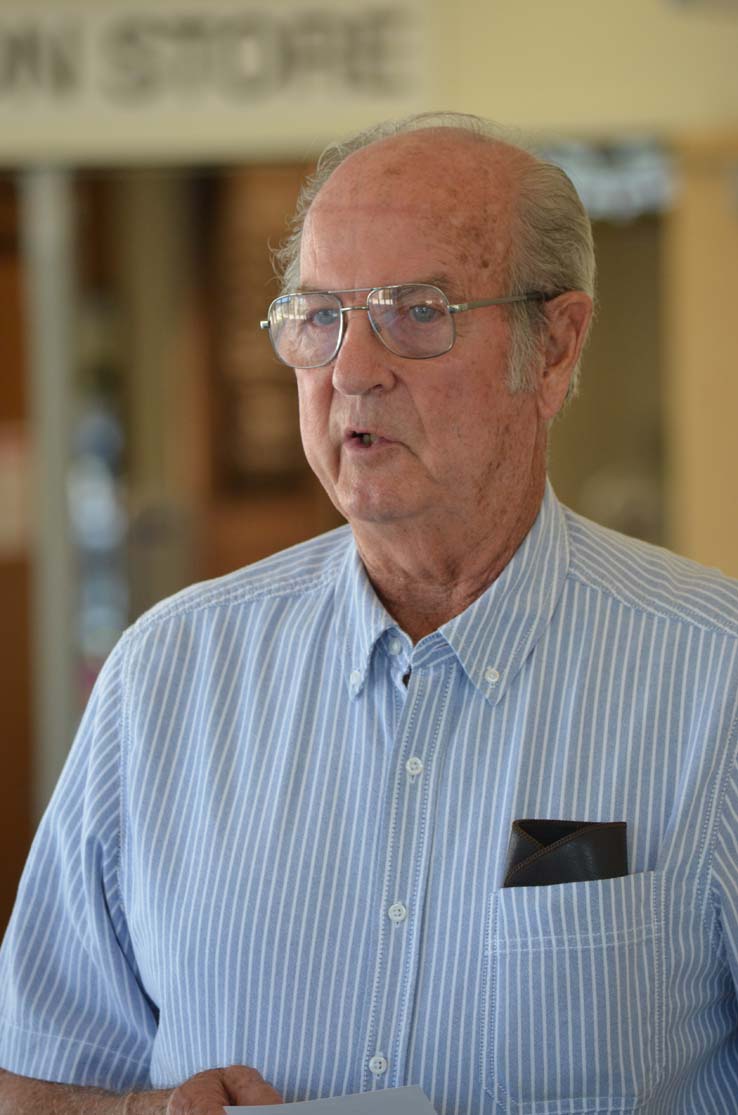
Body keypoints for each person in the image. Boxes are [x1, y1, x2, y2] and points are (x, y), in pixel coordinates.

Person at [1, 111, 738, 1115]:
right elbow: (36, 1074)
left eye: (417, 311)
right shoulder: (166, 676)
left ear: (556, 347)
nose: (350, 370)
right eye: (320, 316)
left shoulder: (712, 678)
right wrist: (140, 1112)